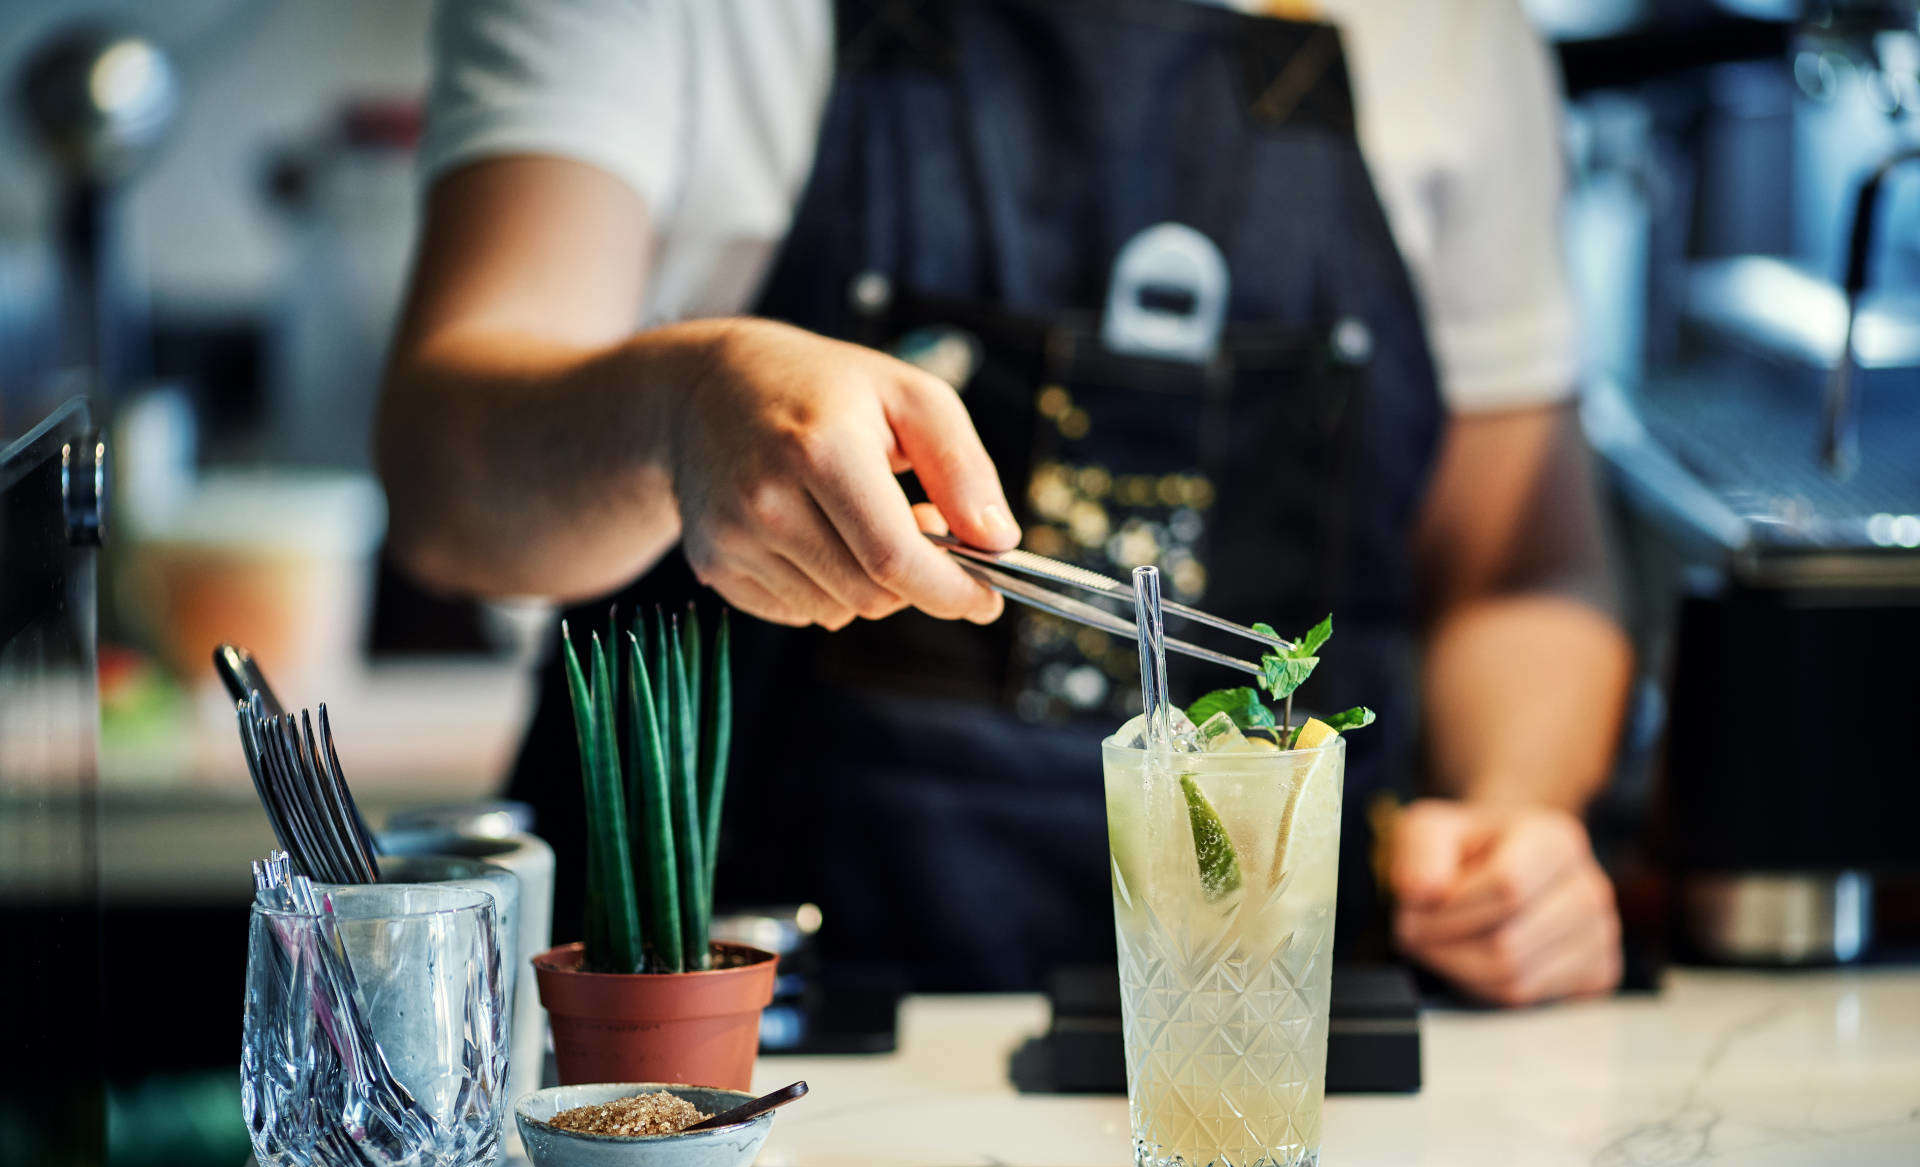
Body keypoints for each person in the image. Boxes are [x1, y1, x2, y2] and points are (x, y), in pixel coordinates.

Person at [378, 0, 1633, 1004]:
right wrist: (674, 409)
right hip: (728, 1059)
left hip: (1284, 1060)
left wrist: (1516, 820)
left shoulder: (1455, 31)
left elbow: (1522, 566)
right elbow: (448, 480)